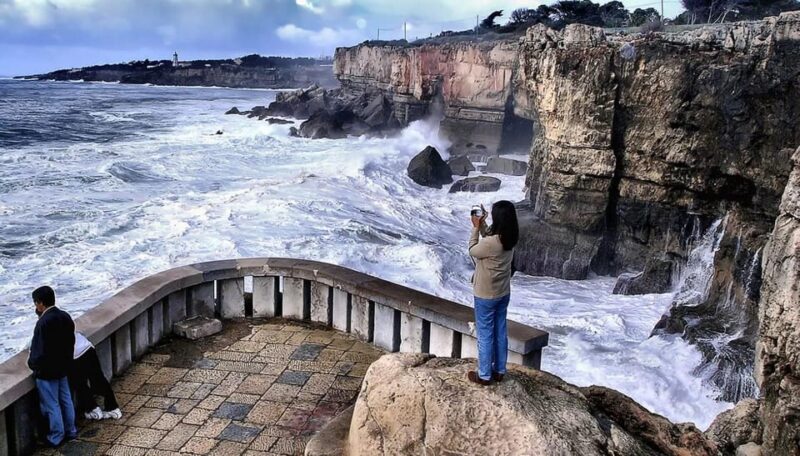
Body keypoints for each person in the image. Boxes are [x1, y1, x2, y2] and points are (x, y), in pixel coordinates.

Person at [467, 201, 519, 385]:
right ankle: (499, 371)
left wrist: (475, 228)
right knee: (500, 331)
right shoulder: (510, 237)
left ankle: (484, 375)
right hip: (503, 293)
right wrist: (482, 224)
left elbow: (473, 250)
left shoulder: (491, 243)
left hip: (485, 295)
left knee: (485, 335)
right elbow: (491, 237)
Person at [27, 286, 78, 447]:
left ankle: (56, 436)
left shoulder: (43, 322)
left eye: (35, 303)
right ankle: (71, 430)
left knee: (52, 405)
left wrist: (33, 365)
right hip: (63, 368)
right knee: (66, 400)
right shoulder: (65, 316)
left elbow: (39, 351)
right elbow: (71, 342)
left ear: (40, 303)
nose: (35, 306)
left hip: (47, 372)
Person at [69, 332, 123, 420]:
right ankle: (113, 407)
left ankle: (92, 408)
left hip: (75, 355)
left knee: (79, 383)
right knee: (98, 378)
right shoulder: (66, 322)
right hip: (87, 347)